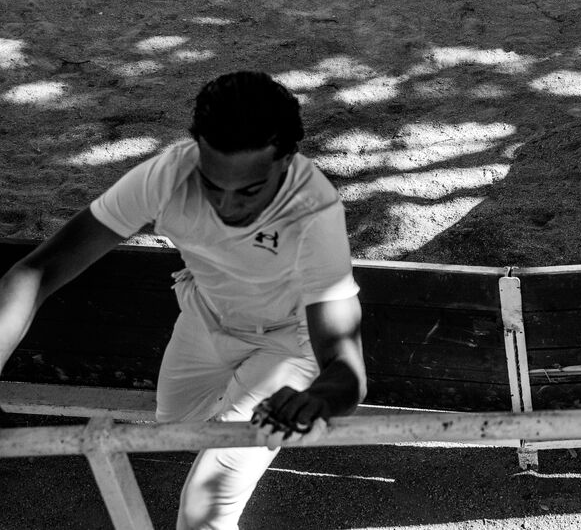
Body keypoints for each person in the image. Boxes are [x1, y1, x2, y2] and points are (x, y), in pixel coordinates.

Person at [0, 71, 367, 529]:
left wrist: (318, 399)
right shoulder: (167, 176)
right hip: (206, 317)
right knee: (174, 429)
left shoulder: (315, 210)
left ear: (288, 161)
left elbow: (346, 368)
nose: (227, 208)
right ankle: (238, 415)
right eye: (212, 185)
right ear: (197, 151)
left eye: (250, 191)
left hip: (288, 343)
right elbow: (37, 271)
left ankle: (243, 428)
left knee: (203, 509)